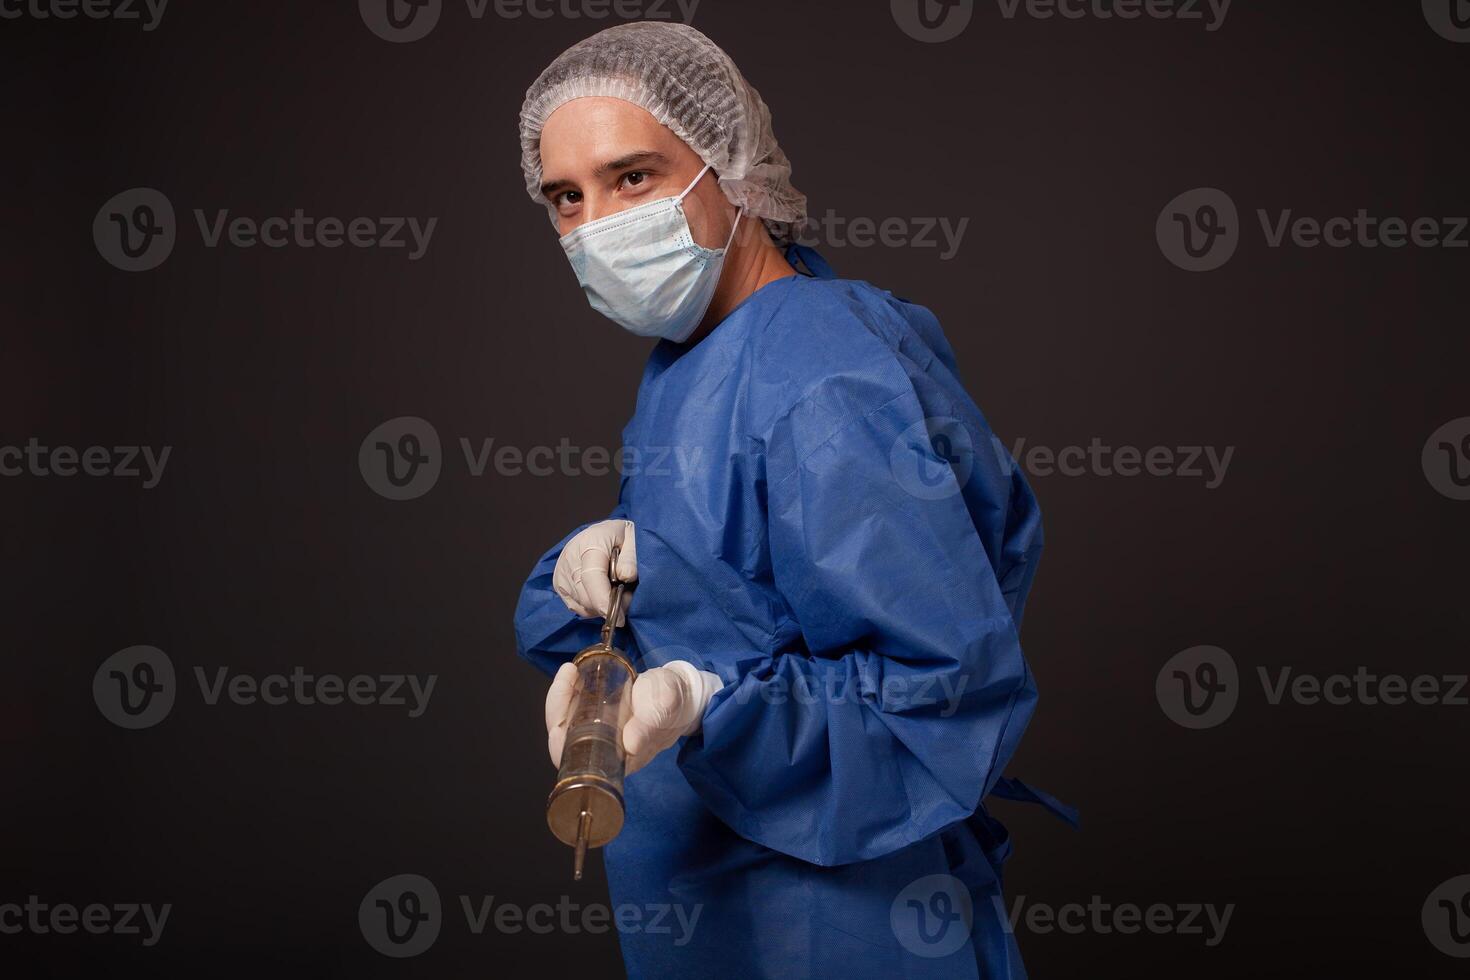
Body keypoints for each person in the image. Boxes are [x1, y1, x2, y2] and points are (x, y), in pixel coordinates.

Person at [513, 22, 1071, 978]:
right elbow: (731, 588)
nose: (596, 222)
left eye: (632, 177)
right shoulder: (700, 354)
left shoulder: (825, 375)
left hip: (838, 915)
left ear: (730, 169)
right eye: (566, 196)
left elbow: (936, 695)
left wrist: (702, 702)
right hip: (719, 894)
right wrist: (600, 587)